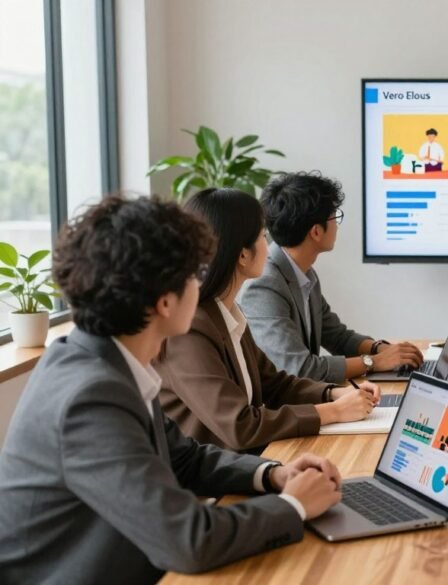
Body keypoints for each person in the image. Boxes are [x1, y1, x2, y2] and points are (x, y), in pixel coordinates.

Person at [0, 195, 344, 584]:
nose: (203, 284)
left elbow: (184, 459)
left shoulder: (105, 363)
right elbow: (188, 540)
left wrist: (273, 475)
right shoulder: (89, 396)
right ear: (165, 302)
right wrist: (294, 506)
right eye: (194, 274)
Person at [155, 188, 380, 452]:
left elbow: (274, 384)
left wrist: (332, 393)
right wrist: (331, 412)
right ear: (242, 255)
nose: (270, 245)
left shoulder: (226, 313)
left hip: (247, 462)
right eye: (263, 235)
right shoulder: (189, 329)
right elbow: (240, 426)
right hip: (213, 484)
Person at [238, 172, 423, 383]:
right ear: (316, 232)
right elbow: (299, 368)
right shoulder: (264, 285)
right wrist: (374, 362)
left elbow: (337, 336)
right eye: (335, 217)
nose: (337, 224)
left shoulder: (304, 272)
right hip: (281, 409)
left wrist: (381, 349)